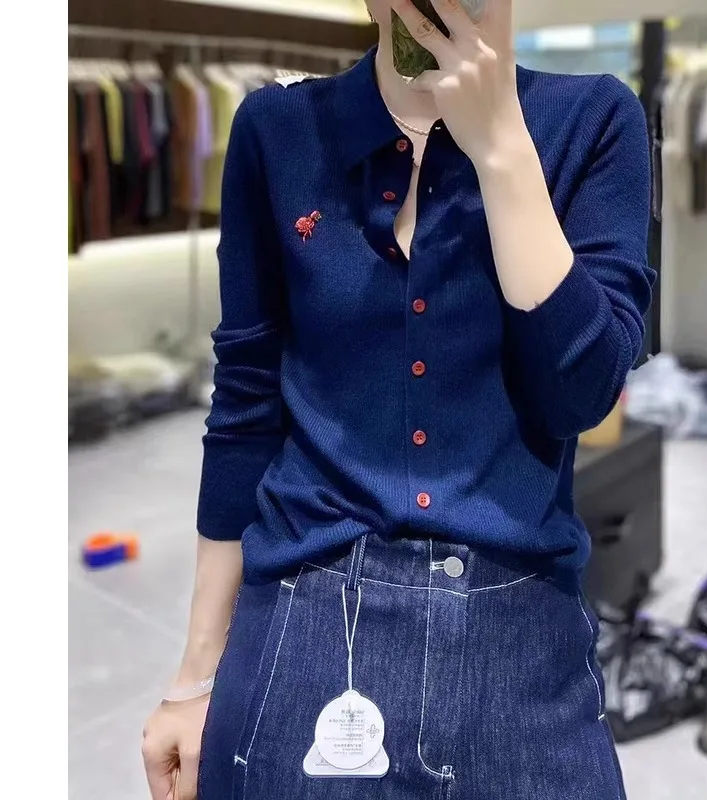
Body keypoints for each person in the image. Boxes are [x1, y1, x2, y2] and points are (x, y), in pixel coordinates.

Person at [142, 0, 655, 797]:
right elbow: (245, 402)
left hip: (517, 614)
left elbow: (581, 395)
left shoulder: (591, 120)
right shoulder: (279, 129)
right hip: (311, 598)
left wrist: (502, 147)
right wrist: (195, 676)